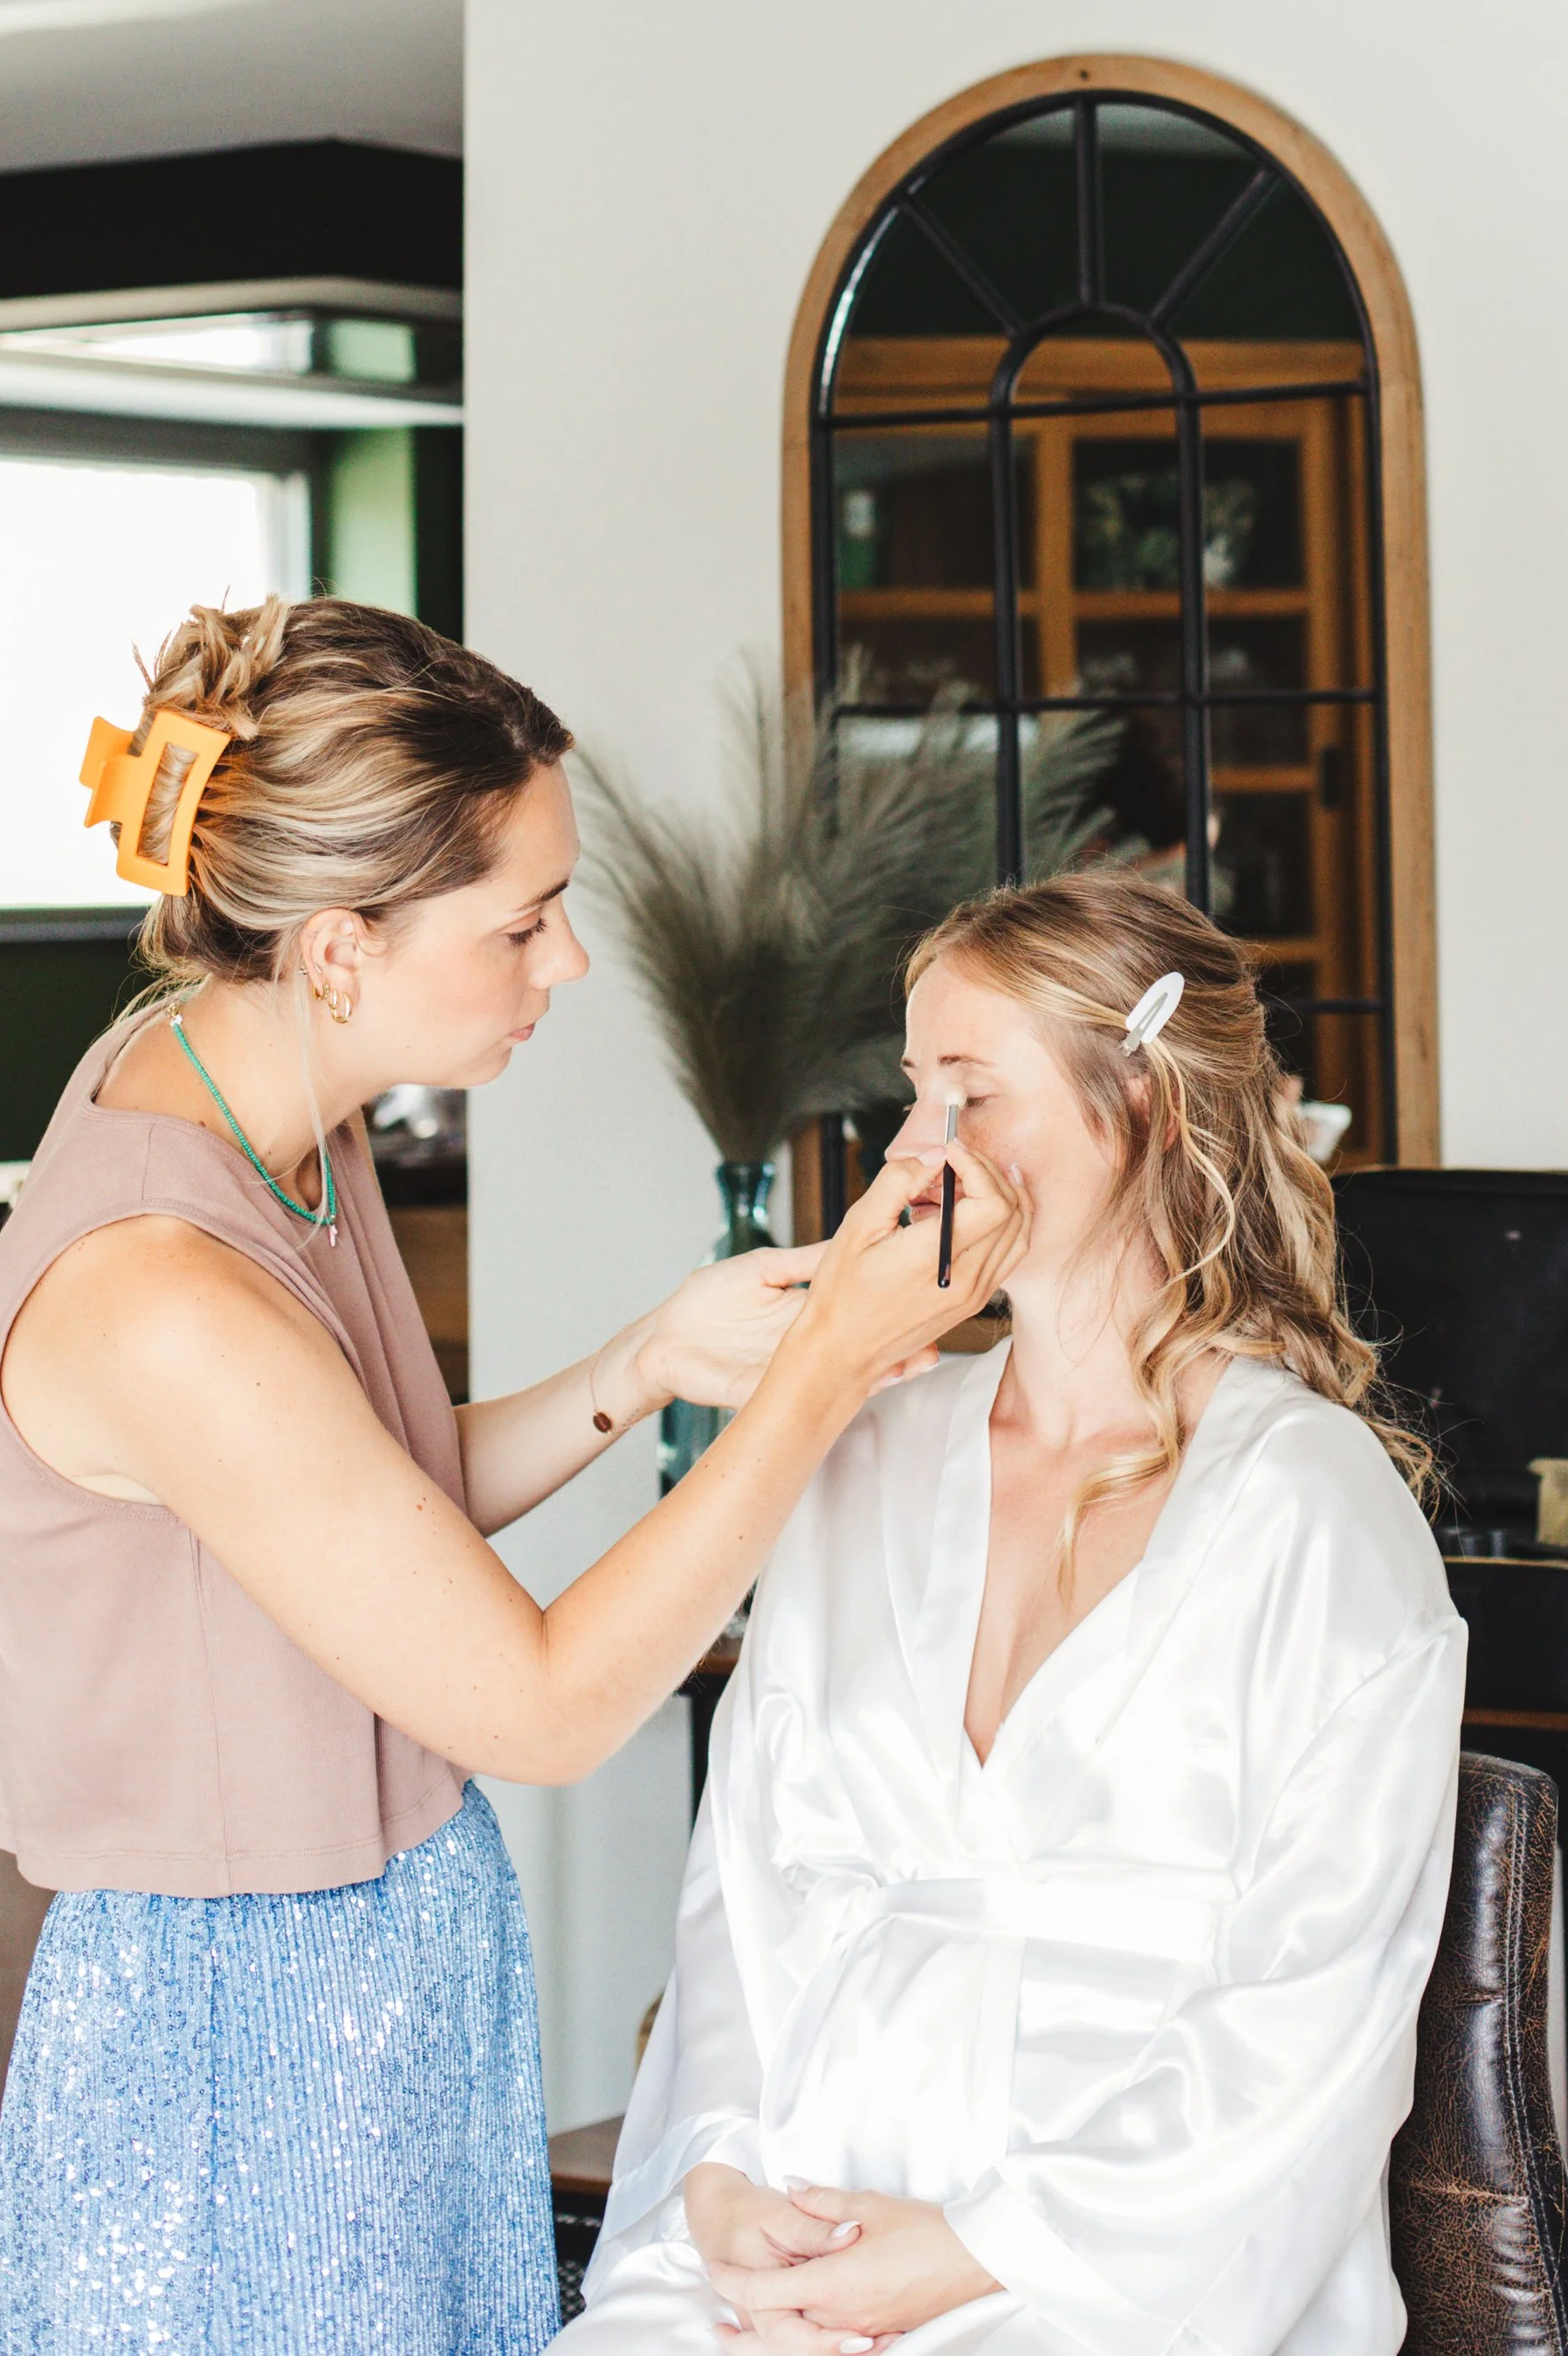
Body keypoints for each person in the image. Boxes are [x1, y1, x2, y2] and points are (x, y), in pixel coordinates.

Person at [0, 596, 1021, 2356]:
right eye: (522, 922)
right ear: (343, 946)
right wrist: (812, 1384)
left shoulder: (270, 1109)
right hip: (247, 2058)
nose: (566, 964)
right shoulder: (160, 1297)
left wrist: (644, 1363)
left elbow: (357, 1516)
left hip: (381, 1984)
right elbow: (530, 1705)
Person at [574, 874, 1467, 2356]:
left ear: (1153, 1108)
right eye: (915, 1096)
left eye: (976, 1095)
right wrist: (721, 2172)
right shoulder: (862, 1455)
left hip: (1129, 2261)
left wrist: (979, 2252)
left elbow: (1313, 2007)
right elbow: (747, 1893)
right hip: (805, 2211)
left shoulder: (1311, 1513)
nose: (924, 1155)